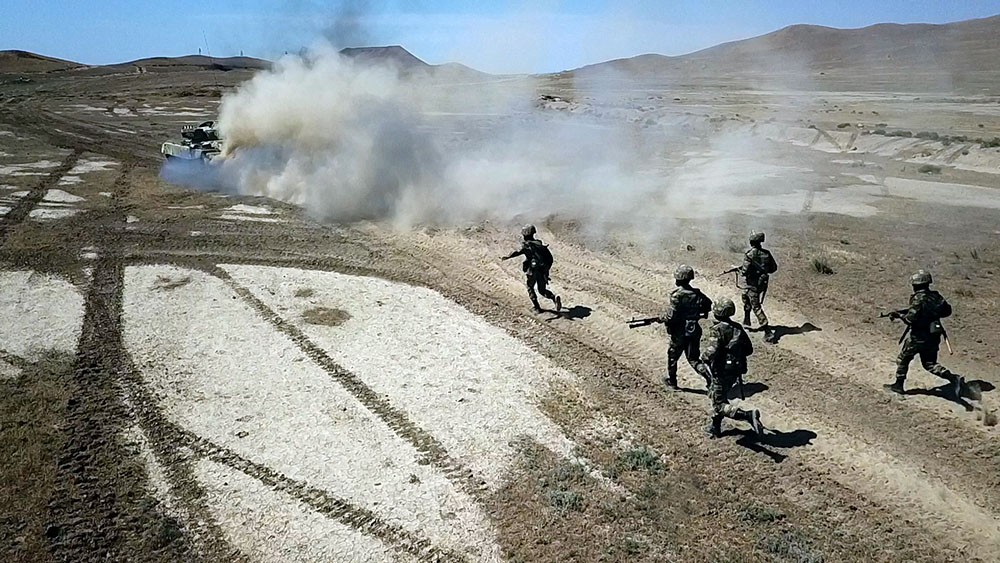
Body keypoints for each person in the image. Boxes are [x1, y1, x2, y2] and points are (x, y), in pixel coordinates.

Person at [884, 270, 964, 398]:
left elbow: (910, 319)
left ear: (916, 285)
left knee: (903, 359)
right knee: (930, 364)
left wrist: (899, 315)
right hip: (933, 336)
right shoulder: (936, 296)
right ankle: (954, 379)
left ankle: (898, 386)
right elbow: (947, 311)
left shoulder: (918, 299)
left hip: (918, 337)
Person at [702, 297, 764, 438]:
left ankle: (747, 415)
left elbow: (712, 351)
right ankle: (714, 427)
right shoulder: (738, 328)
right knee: (720, 396)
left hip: (721, 370)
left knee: (719, 404)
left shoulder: (717, 330)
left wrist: (704, 357)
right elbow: (749, 349)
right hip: (735, 370)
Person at [658, 265, 711, 390]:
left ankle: (672, 381)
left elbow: (671, 317)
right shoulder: (697, 294)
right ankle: (710, 379)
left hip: (680, 331)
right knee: (694, 359)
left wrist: (662, 318)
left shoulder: (677, 295)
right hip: (694, 330)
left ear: (679, 279)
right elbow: (708, 305)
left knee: (673, 356)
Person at [501, 224, 561, 313]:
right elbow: (549, 258)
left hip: (532, 271)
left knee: (530, 287)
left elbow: (517, 252)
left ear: (525, 234)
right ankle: (553, 297)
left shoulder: (527, 245)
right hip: (542, 270)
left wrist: (508, 257)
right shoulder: (539, 244)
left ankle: (537, 308)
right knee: (542, 290)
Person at [740, 230, 778, 343]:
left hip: (752, 284)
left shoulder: (749, 254)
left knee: (756, 306)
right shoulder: (767, 253)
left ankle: (768, 332)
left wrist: (742, 271)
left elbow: (744, 271)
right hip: (762, 283)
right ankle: (746, 320)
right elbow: (773, 268)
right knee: (745, 297)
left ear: (751, 241)